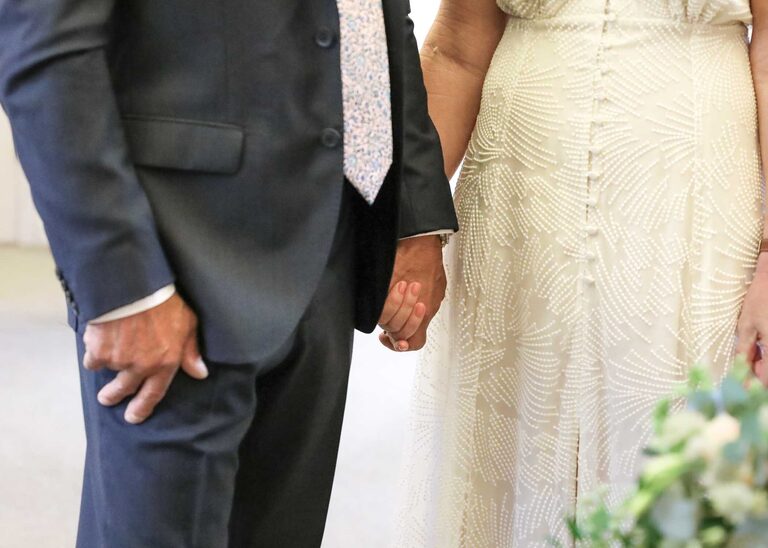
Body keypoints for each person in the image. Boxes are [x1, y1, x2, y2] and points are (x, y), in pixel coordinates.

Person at [0, 0, 458, 546]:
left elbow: (376, 20)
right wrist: (123, 290)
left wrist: (413, 217)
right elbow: (45, 54)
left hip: (329, 249)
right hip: (176, 260)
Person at [395, 0, 768, 546]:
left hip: (698, 218)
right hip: (515, 212)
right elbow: (456, 50)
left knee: (673, 470)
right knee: (508, 471)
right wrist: (412, 229)